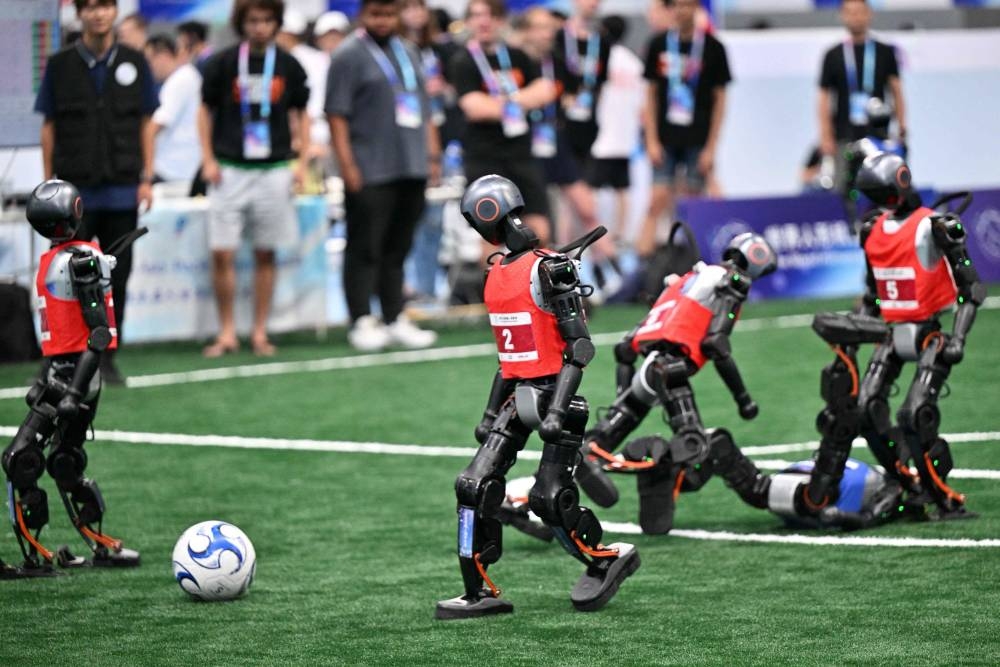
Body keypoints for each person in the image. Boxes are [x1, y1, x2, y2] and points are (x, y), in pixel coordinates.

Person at [435, 175, 639, 619]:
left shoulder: (550, 268)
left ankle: (605, 559)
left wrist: (559, 410)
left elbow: (579, 348)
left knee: (549, 497)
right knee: (472, 485)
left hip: (554, 395)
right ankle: (479, 591)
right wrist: (492, 411)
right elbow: (509, 357)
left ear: (486, 215)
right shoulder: (497, 274)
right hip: (517, 392)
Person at [576, 234, 777, 534]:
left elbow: (625, 348)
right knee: (696, 447)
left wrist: (622, 394)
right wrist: (742, 398)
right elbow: (716, 344)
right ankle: (661, 472)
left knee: (601, 438)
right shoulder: (731, 282)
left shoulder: (686, 280)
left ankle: (579, 459)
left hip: (646, 368)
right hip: (672, 370)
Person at [2, 180, 142, 578]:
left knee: (23, 459)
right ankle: (71, 549)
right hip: (61, 372)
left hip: (75, 376)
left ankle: (51, 553)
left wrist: (73, 391)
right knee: (61, 461)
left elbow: (98, 335)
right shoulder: (64, 257)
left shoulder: (79, 263)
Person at [34, 0, 158, 385]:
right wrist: (48, 186)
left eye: (105, 5)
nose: (98, 13)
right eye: (90, 6)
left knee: (115, 278)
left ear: (115, 10)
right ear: (80, 14)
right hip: (75, 193)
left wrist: (147, 178)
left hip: (122, 187)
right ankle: (60, 359)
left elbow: (147, 123)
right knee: (64, 278)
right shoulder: (60, 65)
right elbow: (49, 127)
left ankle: (106, 357)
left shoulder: (136, 62)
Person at [326, 0, 441, 351]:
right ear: (362, 15)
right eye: (376, 14)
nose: (383, 21)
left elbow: (424, 108)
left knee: (399, 245)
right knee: (364, 245)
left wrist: (431, 157)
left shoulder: (408, 51)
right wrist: (347, 166)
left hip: (410, 164)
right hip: (369, 167)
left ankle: (394, 315)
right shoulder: (347, 55)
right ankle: (361, 317)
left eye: (389, 14)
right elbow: (336, 114)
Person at [198, 0, 311, 358]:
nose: (260, 27)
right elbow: (205, 110)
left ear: (276, 23)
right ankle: (227, 331)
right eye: (253, 21)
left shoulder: (290, 65)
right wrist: (208, 158)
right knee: (222, 253)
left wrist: (301, 161)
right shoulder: (223, 62)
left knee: (266, 253)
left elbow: (303, 113)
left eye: (266, 20)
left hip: (274, 169)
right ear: (242, 24)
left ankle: (260, 331)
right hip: (230, 168)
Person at [448, 0, 556, 246]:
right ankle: (492, 284)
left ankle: (535, 283)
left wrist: (502, 103)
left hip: (521, 154)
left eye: (490, 15)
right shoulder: (463, 61)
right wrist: (522, 100)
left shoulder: (517, 56)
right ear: (469, 21)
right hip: (484, 157)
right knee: (492, 236)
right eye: (476, 15)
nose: (484, 21)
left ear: (500, 20)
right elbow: (474, 108)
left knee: (539, 230)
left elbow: (545, 90)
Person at [636, 0, 731, 258]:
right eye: (676, 6)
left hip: (697, 138)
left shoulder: (713, 48)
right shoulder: (659, 45)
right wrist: (652, 140)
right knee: (657, 199)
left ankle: (692, 258)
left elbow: (720, 100)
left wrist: (711, 147)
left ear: (697, 8)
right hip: (665, 138)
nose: (682, 11)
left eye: (687, 5)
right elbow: (651, 96)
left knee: (693, 201)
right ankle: (643, 265)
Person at [818, 0, 906, 192]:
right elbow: (823, 97)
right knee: (843, 187)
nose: (855, 17)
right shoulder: (833, 55)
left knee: (884, 185)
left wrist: (902, 126)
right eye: (850, 12)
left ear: (869, 14)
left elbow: (896, 90)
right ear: (842, 15)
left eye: (859, 12)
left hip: (878, 135)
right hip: (844, 134)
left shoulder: (884, 51)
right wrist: (825, 135)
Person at [588, 14, 643, 246]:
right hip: (625, 138)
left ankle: (595, 237)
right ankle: (620, 234)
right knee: (622, 190)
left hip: (602, 136)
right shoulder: (634, 63)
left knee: (591, 190)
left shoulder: (600, 60)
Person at [145, 35, 203, 185]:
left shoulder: (180, 80)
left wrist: (147, 173)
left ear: (163, 55)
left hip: (173, 170)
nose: (148, 67)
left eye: (149, 60)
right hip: (180, 167)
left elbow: (153, 127)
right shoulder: (187, 76)